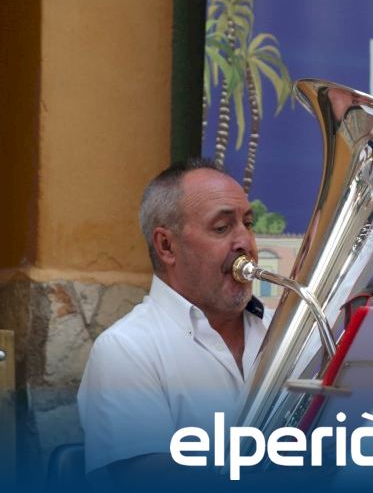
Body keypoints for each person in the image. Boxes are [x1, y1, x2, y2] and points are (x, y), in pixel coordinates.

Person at [77, 158, 268, 486]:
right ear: (167, 246)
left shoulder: (289, 333)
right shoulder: (125, 350)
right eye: (222, 228)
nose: (245, 243)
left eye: (248, 224)